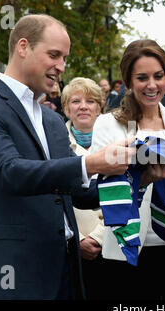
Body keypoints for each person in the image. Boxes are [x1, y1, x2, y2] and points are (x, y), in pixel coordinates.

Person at [0, 14, 135, 300]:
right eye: (54, 55)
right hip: (16, 272)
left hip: (68, 271)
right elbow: (9, 173)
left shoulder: (52, 121)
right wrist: (90, 163)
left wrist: (139, 172)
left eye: (64, 58)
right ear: (23, 47)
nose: (61, 67)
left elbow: (79, 192)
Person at [90, 39, 165, 300]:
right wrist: (145, 178)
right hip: (127, 248)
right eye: (142, 78)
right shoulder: (108, 124)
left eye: (158, 76)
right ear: (128, 81)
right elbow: (97, 192)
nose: (152, 85)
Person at [61, 77, 107, 299]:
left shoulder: (115, 140)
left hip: (111, 242)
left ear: (99, 108)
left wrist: (99, 236)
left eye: (90, 101)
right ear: (66, 108)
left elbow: (128, 192)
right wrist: (77, 239)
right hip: (70, 248)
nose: (83, 106)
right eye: (75, 101)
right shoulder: (55, 143)